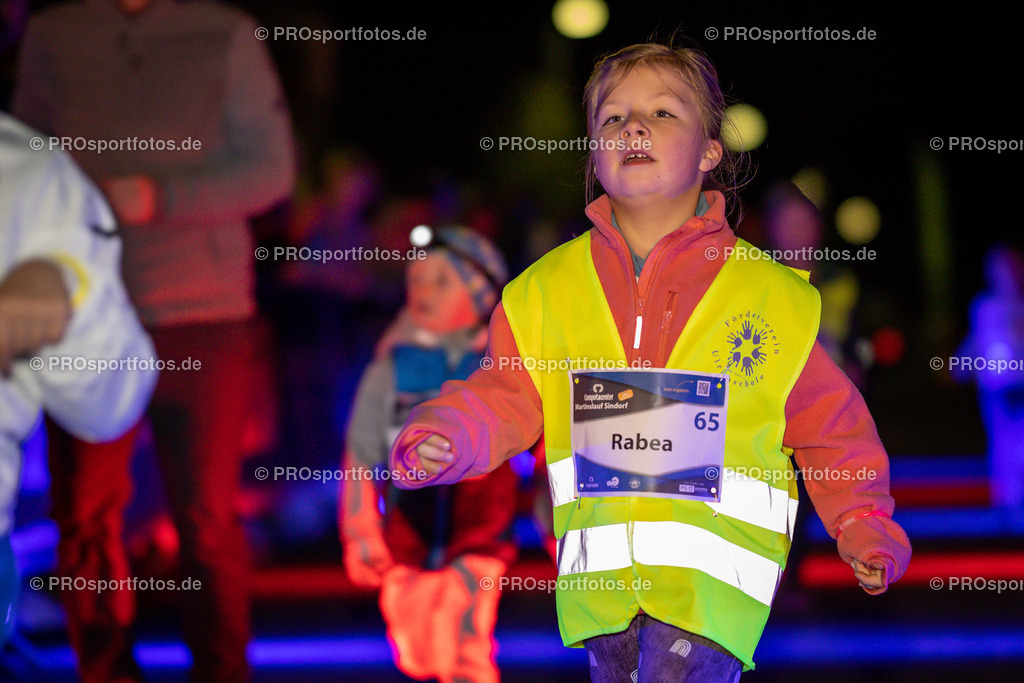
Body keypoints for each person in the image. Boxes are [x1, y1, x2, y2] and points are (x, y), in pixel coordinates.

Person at [387, 43, 912, 681]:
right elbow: (504, 393)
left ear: (711, 151)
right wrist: (447, 432)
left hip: (710, 597)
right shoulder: (544, 292)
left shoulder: (771, 299)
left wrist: (863, 520)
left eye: (663, 113)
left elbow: (832, 428)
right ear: (592, 152)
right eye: (612, 118)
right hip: (603, 596)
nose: (633, 127)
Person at [12, 1, 296, 680]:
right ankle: (105, 670)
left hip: (205, 313)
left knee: (206, 520)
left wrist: (157, 198)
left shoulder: (225, 32)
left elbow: (271, 169)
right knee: (83, 517)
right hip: (86, 315)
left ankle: (223, 669)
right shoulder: (54, 33)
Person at [0, 111, 157, 644]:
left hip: (184, 313)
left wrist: (66, 284)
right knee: (87, 518)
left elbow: (110, 403)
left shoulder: (27, 172)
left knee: (100, 513)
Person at [342, 227, 517, 683]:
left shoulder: (503, 367)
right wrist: (360, 531)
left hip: (477, 536)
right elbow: (361, 455)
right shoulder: (392, 367)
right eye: (416, 279)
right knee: (417, 655)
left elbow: (541, 451)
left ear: (481, 294)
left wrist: (556, 521)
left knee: (467, 650)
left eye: (442, 280)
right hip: (406, 539)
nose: (423, 290)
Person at [954, 245, 1024, 513]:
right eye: (1001, 268)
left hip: (1020, 383)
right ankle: (1006, 502)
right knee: (1001, 443)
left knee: (1020, 442)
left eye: (1012, 267)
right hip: (995, 387)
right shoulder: (984, 306)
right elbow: (976, 339)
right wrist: (961, 364)